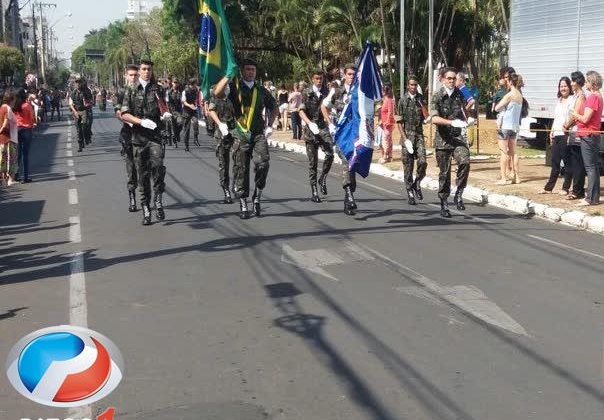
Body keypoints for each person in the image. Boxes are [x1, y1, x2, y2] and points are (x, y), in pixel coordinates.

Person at [120, 59, 171, 226]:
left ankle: (158, 198)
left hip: (155, 136)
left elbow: (163, 107)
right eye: (144, 69)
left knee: (158, 166)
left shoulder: (158, 89)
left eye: (149, 69)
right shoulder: (131, 90)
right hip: (138, 138)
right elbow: (124, 114)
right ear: (140, 71)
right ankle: (146, 208)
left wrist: (166, 115)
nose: (147, 71)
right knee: (142, 175)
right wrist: (140, 122)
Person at [227, 58, 278, 219]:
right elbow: (218, 93)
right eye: (248, 69)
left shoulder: (261, 90)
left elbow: (274, 106)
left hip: (257, 134)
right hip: (240, 134)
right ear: (242, 71)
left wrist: (271, 124)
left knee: (263, 164)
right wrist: (228, 75)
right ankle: (243, 202)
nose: (250, 72)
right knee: (241, 169)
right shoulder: (235, 88)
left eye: (253, 70)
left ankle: (257, 194)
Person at [429, 67, 471, 217]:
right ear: (442, 79)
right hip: (443, 139)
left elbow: (463, 111)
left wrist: (467, 119)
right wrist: (450, 123)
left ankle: (459, 193)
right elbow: (433, 119)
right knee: (444, 173)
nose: (452, 81)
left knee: (465, 161)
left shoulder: (459, 94)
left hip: (457, 137)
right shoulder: (437, 96)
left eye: (454, 78)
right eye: (449, 78)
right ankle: (444, 202)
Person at [324, 63, 359, 215]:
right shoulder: (337, 92)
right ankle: (350, 196)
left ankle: (348, 196)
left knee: (353, 166)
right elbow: (324, 107)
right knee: (346, 160)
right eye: (349, 74)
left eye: (354, 74)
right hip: (341, 134)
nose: (352, 77)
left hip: (356, 135)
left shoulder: (359, 92)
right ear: (344, 75)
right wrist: (330, 124)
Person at [298, 70, 335, 203]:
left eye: (321, 78)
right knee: (313, 162)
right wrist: (308, 123)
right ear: (312, 79)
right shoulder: (306, 92)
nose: (319, 81)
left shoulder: (326, 91)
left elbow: (332, 105)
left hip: (322, 126)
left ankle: (323, 177)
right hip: (310, 129)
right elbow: (301, 111)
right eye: (317, 78)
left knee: (330, 154)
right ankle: (314, 190)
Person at [571, 70, 602, 206]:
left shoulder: (593, 97)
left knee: (590, 167)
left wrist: (575, 114)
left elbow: (585, 118)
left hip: (588, 134)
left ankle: (590, 198)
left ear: (593, 83)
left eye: (588, 81)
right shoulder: (598, 96)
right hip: (592, 134)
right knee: (593, 167)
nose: (586, 83)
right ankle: (593, 197)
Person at [397, 75, 429, 205]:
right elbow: (399, 122)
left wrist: (422, 106)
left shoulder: (421, 99)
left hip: (419, 134)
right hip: (407, 135)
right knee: (408, 167)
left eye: (415, 85)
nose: (413, 87)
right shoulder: (402, 100)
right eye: (411, 85)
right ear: (407, 86)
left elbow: (427, 118)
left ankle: (417, 183)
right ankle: (409, 190)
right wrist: (405, 139)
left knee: (423, 161)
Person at [539, 77, 573, 195]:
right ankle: (549, 187)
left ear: (569, 87)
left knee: (567, 162)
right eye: (561, 86)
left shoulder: (571, 100)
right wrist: (551, 131)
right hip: (556, 133)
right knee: (555, 162)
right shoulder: (559, 100)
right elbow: (556, 117)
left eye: (565, 86)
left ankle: (565, 188)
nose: (563, 88)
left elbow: (572, 118)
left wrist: (567, 129)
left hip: (565, 134)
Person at [115, 65, 140, 212]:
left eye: (135, 75)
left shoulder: (143, 90)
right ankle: (132, 198)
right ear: (126, 76)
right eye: (130, 75)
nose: (133, 78)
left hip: (144, 134)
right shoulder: (121, 92)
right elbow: (118, 113)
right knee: (131, 169)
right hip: (129, 135)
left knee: (144, 169)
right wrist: (131, 121)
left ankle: (145, 198)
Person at [207, 77, 236, 204]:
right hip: (221, 135)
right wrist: (219, 124)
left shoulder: (232, 99)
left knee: (239, 161)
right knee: (224, 164)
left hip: (234, 134)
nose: (227, 88)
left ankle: (236, 185)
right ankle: (226, 190)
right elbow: (211, 111)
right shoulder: (215, 98)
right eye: (225, 86)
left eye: (228, 86)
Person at [494, 70, 523, 185]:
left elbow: (497, 108)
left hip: (505, 126)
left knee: (503, 152)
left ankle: (504, 178)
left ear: (511, 82)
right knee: (513, 152)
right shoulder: (520, 95)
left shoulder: (510, 95)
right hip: (515, 127)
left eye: (507, 80)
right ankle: (516, 176)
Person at [563, 71, 587, 200]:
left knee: (577, 162)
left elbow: (575, 114)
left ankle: (578, 190)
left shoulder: (581, 96)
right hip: (572, 131)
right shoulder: (576, 96)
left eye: (572, 81)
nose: (571, 84)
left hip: (577, 131)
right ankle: (576, 188)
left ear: (577, 82)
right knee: (574, 160)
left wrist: (566, 125)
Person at [14, 88, 36, 183]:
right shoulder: (27, 105)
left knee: (17, 154)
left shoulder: (14, 106)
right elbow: (31, 118)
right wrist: (32, 125)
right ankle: (25, 177)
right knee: (25, 154)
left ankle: (16, 175)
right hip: (27, 129)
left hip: (17, 129)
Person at [0, 88, 18, 186]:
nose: (15, 101)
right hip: (10, 138)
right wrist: (2, 129)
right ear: (10, 99)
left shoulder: (2, 107)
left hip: (5, 137)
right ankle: (10, 179)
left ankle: (5, 179)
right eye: (14, 99)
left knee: (4, 158)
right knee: (11, 159)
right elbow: (6, 122)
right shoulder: (7, 108)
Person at [69, 78, 93, 151]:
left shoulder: (87, 91)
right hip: (76, 111)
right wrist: (75, 112)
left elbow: (91, 101)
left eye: (79, 83)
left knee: (85, 125)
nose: (78, 85)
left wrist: (88, 103)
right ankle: (80, 143)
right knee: (78, 128)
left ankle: (87, 137)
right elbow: (70, 104)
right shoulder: (73, 93)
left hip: (85, 110)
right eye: (76, 83)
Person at [181, 78, 200, 151]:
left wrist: (196, 104)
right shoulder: (185, 91)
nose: (196, 85)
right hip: (186, 111)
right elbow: (183, 102)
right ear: (192, 84)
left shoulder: (196, 90)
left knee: (195, 122)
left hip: (193, 111)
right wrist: (190, 105)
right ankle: (186, 145)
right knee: (187, 129)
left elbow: (197, 98)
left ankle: (195, 138)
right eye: (195, 84)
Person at [378, 84, 395, 163]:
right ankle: (390, 155)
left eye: (383, 90)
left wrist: (388, 121)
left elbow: (390, 112)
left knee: (385, 140)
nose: (382, 92)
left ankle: (385, 156)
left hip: (388, 124)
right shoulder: (384, 100)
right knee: (389, 140)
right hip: (384, 123)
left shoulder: (389, 100)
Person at [167, 79, 182, 148]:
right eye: (174, 82)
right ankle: (172, 138)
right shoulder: (169, 92)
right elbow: (167, 102)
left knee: (180, 123)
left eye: (177, 82)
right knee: (171, 126)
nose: (175, 84)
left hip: (179, 111)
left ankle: (177, 134)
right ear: (172, 83)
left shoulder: (180, 91)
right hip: (171, 111)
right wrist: (168, 111)